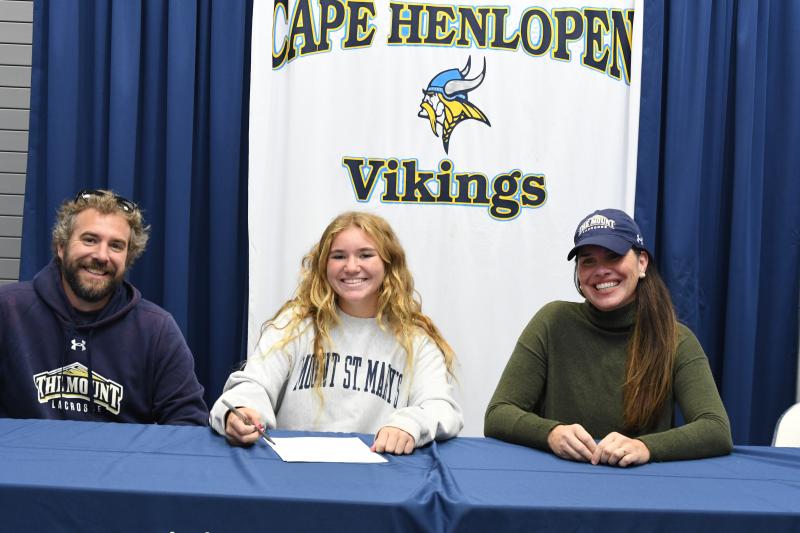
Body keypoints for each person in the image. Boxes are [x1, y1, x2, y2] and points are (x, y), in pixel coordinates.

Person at [484, 208, 732, 466]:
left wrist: (645, 447)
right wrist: (551, 433)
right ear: (579, 273)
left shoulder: (676, 338)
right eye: (588, 260)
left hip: (642, 489)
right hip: (560, 483)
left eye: (613, 256)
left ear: (642, 262)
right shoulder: (552, 321)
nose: (601, 270)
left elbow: (715, 429)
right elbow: (498, 414)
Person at [210, 211, 462, 454]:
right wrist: (241, 410)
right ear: (323, 265)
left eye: (365, 255)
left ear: (389, 264)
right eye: (339, 256)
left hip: (378, 479)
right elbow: (254, 384)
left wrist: (409, 425)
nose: (351, 267)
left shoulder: (415, 340)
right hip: (293, 475)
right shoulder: (295, 325)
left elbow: (441, 407)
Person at [0, 189, 208, 425]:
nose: (101, 255)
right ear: (61, 246)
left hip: (124, 462)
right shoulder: (8, 309)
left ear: (128, 258)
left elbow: (188, 424)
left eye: (116, 246)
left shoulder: (157, 329)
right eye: (90, 240)